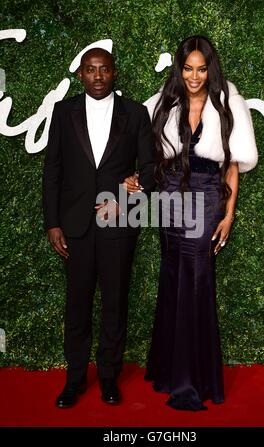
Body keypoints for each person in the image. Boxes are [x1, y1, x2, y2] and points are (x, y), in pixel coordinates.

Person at [124, 35, 257, 411]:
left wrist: (228, 216)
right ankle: (167, 371)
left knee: (197, 282)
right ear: (179, 69)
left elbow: (233, 164)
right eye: (187, 68)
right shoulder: (163, 102)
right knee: (171, 279)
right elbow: (148, 155)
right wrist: (136, 178)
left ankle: (192, 381)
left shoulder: (228, 100)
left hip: (206, 197)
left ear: (209, 68)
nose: (194, 76)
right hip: (168, 199)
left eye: (201, 69)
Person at [42, 47, 155, 408]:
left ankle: (109, 378)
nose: (98, 76)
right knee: (76, 307)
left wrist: (134, 185)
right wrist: (53, 224)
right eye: (90, 70)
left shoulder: (136, 114)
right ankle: (74, 380)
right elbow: (53, 171)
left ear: (114, 72)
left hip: (118, 223)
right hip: (73, 227)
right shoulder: (62, 112)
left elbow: (150, 168)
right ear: (81, 74)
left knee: (114, 305)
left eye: (104, 69)